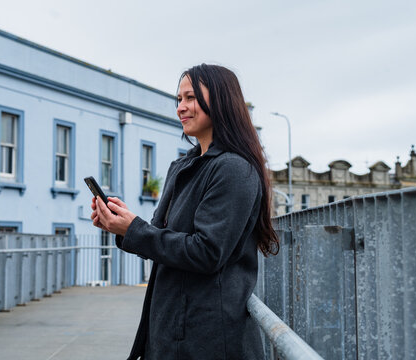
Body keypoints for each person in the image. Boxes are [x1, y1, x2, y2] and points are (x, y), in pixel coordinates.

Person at [91, 64, 279, 360]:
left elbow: (207, 251)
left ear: (220, 100)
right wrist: (120, 224)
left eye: (190, 98)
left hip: (207, 338)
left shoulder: (233, 169)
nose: (181, 108)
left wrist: (134, 230)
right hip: (169, 328)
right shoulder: (182, 166)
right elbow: (158, 238)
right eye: (178, 99)